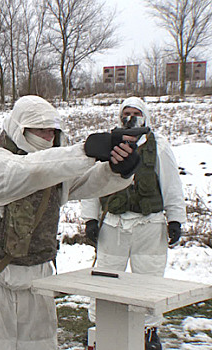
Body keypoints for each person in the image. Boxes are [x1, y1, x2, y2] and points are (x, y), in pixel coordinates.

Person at [0, 95, 141, 350]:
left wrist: (119, 170)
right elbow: (29, 170)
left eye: (52, 131)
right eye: (39, 130)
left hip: (37, 282)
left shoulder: (56, 169)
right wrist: (85, 151)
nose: (46, 137)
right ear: (19, 129)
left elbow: (88, 180)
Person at [81, 96, 186, 350]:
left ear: (145, 116)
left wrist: (175, 219)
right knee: (105, 276)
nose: (130, 116)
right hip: (115, 223)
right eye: (126, 112)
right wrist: (90, 219)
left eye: (135, 112)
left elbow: (172, 184)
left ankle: (149, 332)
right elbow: (92, 184)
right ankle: (100, 328)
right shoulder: (109, 146)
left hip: (149, 225)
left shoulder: (158, 146)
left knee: (148, 280)